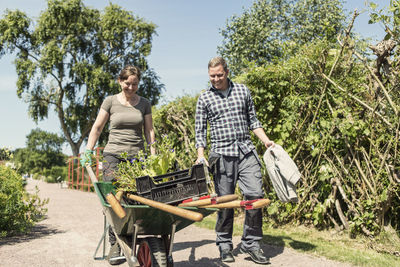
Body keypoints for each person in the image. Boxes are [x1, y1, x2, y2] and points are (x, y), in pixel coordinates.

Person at [195, 56, 274, 265]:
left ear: (227, 72)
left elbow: (253, 120)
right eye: (212, 76)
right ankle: (224, 244)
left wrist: (266, 141)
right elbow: (200, 131)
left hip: (246, 151)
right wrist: (200, 155)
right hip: (221, 155)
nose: (216, 79)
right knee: (226, 202)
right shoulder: (204, 99)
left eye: (219, 75)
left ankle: (252, 243)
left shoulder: (243, 91)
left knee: (255, 196)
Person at [80, 65, 156, 265]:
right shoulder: (110, 101)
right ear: (119, 81)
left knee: (136, 201)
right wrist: (88, 149)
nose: (131, 87)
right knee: (113, 200)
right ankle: (115, 243)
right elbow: (97, 128)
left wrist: (154, 155)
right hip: (113, 155)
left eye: (135, 84)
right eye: (127, 83)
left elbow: (149, 132)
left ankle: (130, 238)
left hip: (136, 158)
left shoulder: (145, 103)